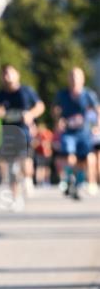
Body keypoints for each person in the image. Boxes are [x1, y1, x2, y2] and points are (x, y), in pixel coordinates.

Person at [0, 65, 44, 210]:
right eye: (5, 74)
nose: (7, 77)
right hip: (7, 134)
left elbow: (40, 106)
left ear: (17, 75)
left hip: (24, 132)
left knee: (25, 161)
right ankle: (15, 197)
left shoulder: (26, 91)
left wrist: (31, 114)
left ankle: (27, 179)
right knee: (12, 168)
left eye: (10, 73)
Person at [52, 67, 98, 200]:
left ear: (82, 79)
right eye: (72, 76)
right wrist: (58, 120)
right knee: (69, 157)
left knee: (86, 159)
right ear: (68, 79)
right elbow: (55, 109)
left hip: (83, 132)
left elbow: (97, 110)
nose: (74, 79)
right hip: (68, 132)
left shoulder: (88, 94)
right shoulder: (62, 94)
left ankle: (86, 182)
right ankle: (69, 179)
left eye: (77, 76)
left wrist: (97, 126)